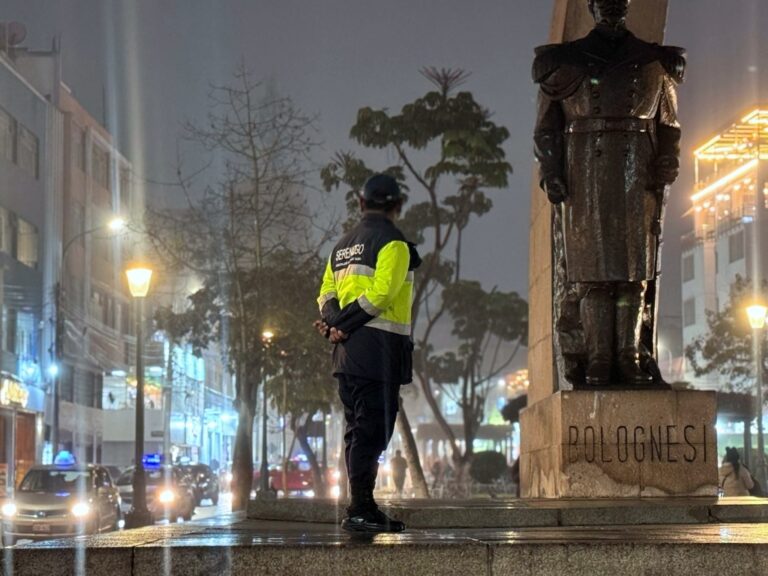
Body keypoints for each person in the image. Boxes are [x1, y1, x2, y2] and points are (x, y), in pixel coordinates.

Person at [533, 0, 685, 388]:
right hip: (585, 174)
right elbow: (547, 128)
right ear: (592, 7)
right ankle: (597, 358)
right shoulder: (563, 62)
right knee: (593, 276)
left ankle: (629, 357)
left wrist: (667, 158)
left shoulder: (654, 62)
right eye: (605, 2)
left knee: (634, 275)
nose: (613, 8)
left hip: (637, 173)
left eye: (620, 2)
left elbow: (668, 123)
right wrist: (552, 171)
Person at [315, 173, 421, 533]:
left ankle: (361, 503)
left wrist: (334, 325)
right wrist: (343, 324)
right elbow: (381, 294)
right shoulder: (393, 243)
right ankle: (360, 507)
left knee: (357, 429)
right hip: (378, 352)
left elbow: (325, 293)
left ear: (361, 204)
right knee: (372, 430)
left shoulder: (341, 247)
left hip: (347, 354)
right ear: (397, 206)